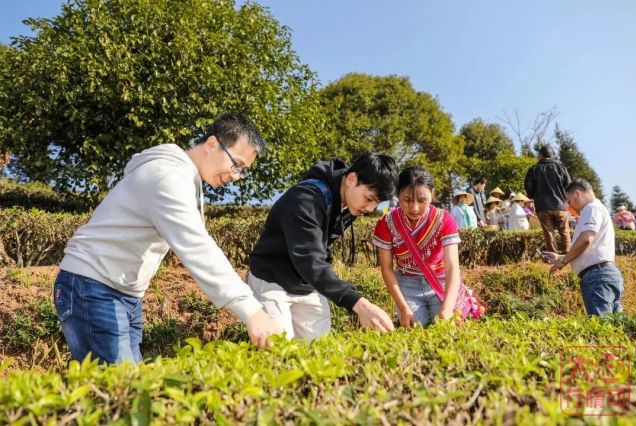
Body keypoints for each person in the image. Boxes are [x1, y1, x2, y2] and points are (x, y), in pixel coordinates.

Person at [53, 113, 280, 364]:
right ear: (212, 144)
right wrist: (251, 311)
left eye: (243, 171)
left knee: (125, 389)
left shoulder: (183, 177)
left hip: (121, 292)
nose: (236, 176)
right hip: (93, 287)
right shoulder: (169, 177)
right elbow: (196, 246)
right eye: (236, 164)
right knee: (123, 391)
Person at [247, 153, 399, 340]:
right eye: (369, 199)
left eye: (376, 203)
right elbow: (310, 259)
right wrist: (359, 303)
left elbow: (320, 249)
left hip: (307, 282)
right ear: (351, 179)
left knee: (319, 351)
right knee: (277, 350)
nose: (369, 209)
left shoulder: (349, 203)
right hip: (271, 280)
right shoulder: (305, 201)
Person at [372, 166, 462, 327]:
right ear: (397, 194)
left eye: (422, 200)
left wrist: (447, 308)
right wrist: (403, 307)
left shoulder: (445, 220)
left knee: (446, 328)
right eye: (407, 200)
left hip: (439, 283)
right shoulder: (386, 223)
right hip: (406, 285)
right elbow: (386, 268)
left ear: (432, 194)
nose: (414, 208)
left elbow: (452, 267)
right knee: (415, 328)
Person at [546, 179, 624, 316]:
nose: (570, 207)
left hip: (598, 277)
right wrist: (560, 257)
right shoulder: (597, 208)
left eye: (569, 201)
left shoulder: (591, 208)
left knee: (601, 328)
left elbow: (586, 239)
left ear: (577, 194)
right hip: (604, 274)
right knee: (616, 327)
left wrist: (563, 261)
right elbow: (590, 246)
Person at [524, 144, 572, 253]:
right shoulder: (561, 168)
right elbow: (569, 185)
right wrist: (565, 198)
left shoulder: (534, 169)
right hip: (560, 205)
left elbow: (529, 186)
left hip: (543, 206)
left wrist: (532, 195)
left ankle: (552, 256)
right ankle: (568, 255)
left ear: (540, 155)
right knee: (564, 231)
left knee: (548, 232)